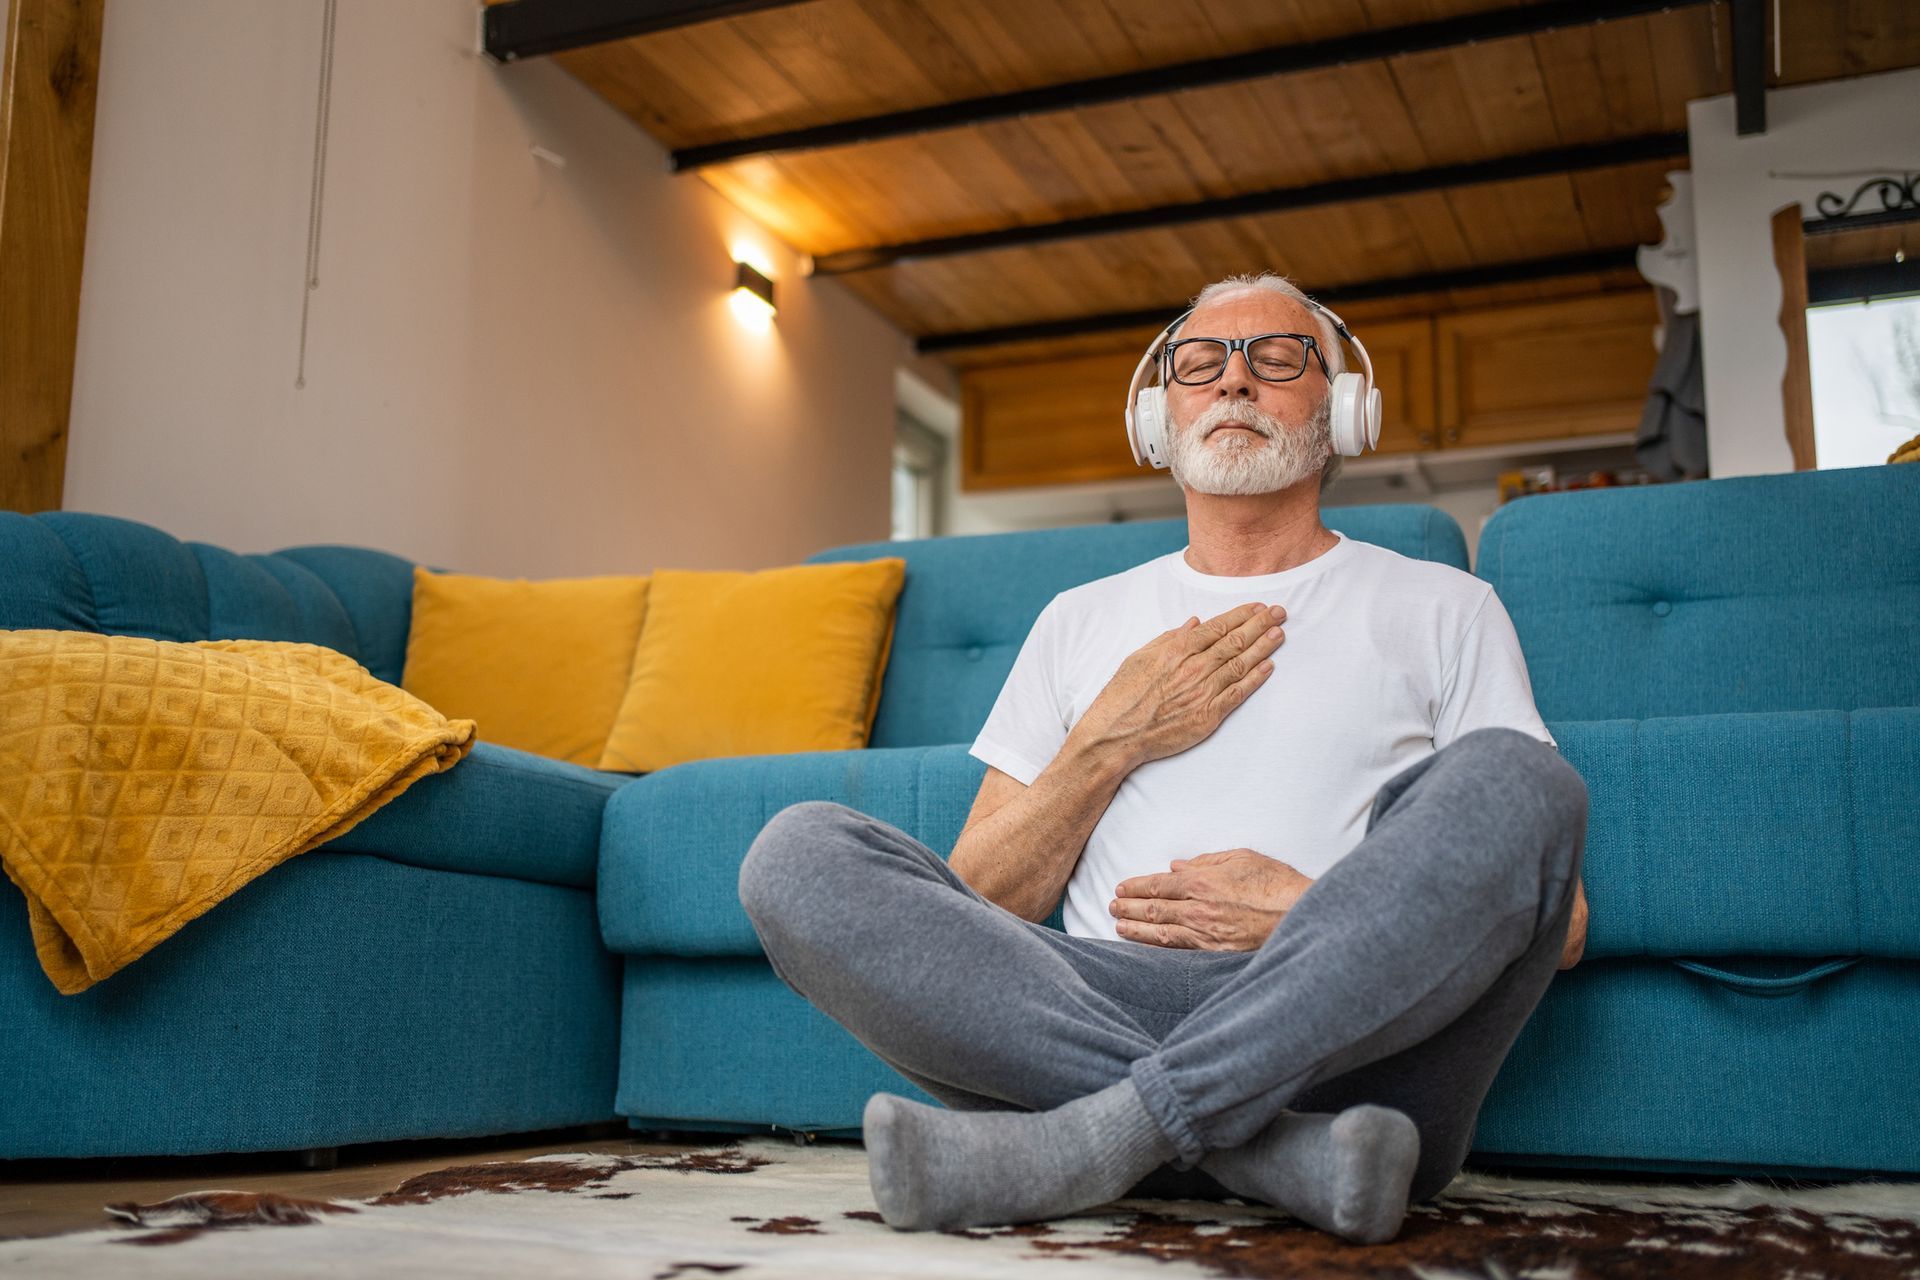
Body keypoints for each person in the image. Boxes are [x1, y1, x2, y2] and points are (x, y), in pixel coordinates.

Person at [738, 271, 1590, 1245]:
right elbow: (978, 897)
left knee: (1526, 783)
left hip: (1349, 1028)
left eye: (1276, 358)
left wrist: (1306, 913)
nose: (1234, 383)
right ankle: (1275, 1154)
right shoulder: (1077, 622)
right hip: (1096, 999)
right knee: (795, 853)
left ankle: (1091, 1142)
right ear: (1158, 418)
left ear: (1346, 410)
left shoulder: (1446, 606)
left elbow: (1556, 920)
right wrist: (1112, 738)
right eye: (1200, 363)